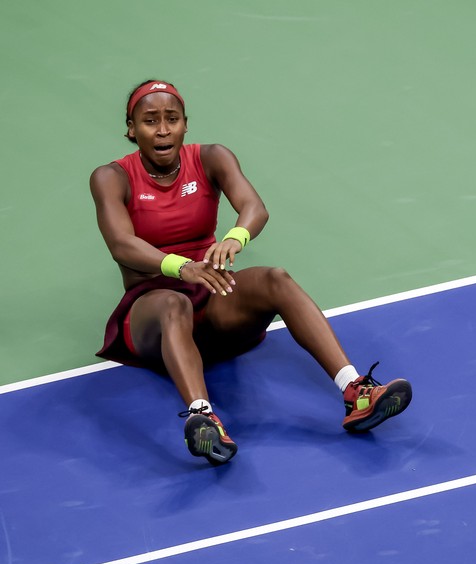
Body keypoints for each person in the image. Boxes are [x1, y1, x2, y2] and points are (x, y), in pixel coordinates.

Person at [90, 80, 412, 465]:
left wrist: (236, 238)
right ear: (131, 129)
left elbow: (253, 207)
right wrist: (183, 267)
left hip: (211, 302)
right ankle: (203, 418)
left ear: (185, 125)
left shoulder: (211, 157)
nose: (162, 130)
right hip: (152, 313)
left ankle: (356, 391)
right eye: (150, 121)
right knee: (174, 303)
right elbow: (121, 244)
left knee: (275, 277)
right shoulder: (111, 177)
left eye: (171, 119)